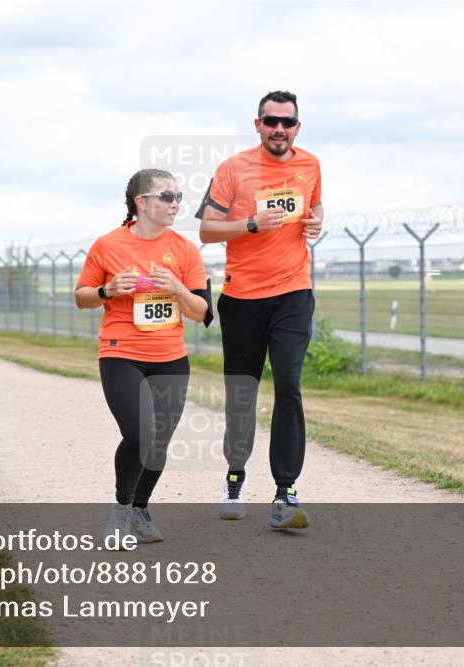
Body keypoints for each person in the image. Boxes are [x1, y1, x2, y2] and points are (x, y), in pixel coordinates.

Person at [197, 90, 323, 530]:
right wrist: (249, 224)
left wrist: (317, 220)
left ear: (297, 127)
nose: (279, 130)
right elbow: (207, 230)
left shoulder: (311, 165)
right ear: (258, 125)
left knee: (288, 385)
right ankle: (235, 477)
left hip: (293, 292)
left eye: (287, 122)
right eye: (271, 121)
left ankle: (285, 492)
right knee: (242, 394)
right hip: (242, 297)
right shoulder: (234, 169)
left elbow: (315, 204)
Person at [76, 168, 210, 545]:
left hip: (171, 358)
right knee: (140, 432)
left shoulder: (184, 249)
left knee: (159, 442)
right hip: (121, 354)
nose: (175, 204)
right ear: (142, 202)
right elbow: (81, 297)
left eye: (178, 197)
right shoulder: (108, 245)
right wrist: (107, 289)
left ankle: (139, 509)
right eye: (167, 197)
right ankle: (120, 510)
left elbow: (202, 313)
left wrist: (179, 288)